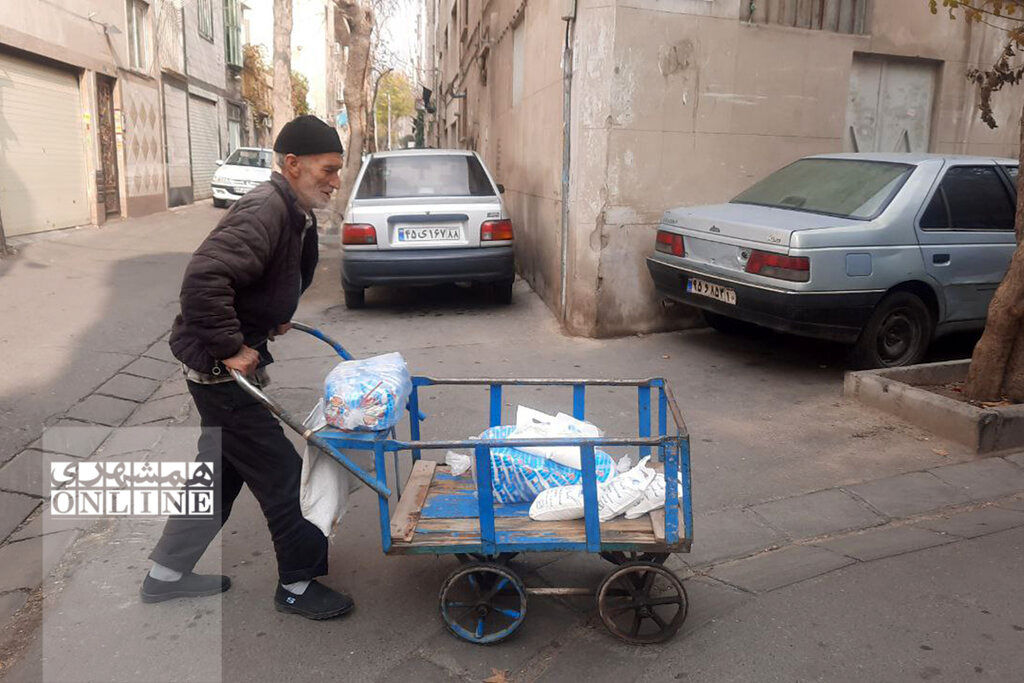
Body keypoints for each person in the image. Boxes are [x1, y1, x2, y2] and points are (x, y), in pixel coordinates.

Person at [140, 116, 352, 620]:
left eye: (339, 170)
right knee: (285, 476)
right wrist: (232, 346)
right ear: (293, 164)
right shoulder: (266, 208)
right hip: (221, 373)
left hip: (221, 367)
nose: (335, 180)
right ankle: (298, 585)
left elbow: (256, 279)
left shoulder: (291, 209)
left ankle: (165, 575)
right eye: (328, 169)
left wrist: (270, 317)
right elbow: (204, 279)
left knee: (218, 474)